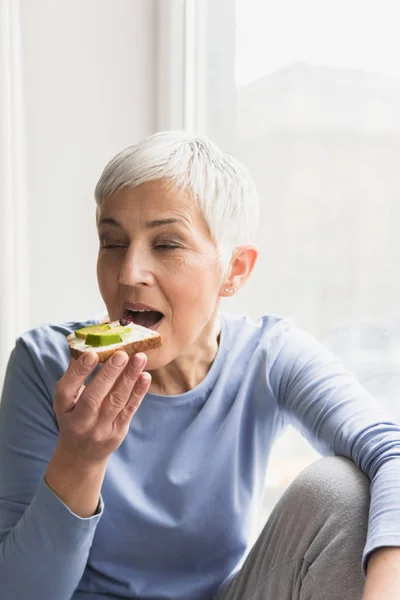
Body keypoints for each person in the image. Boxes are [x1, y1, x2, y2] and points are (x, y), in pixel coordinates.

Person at [0, 131, 399, 600]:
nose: (130, 273)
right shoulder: (46, 363)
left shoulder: (268, 356)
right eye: (112, 242)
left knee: (345, 486)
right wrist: (80, 459)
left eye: (167, 244)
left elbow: (388, 449)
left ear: (234, 270)